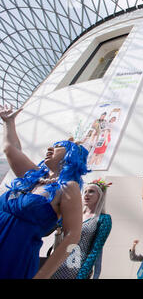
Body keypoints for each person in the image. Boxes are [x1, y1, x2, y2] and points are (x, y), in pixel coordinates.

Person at [0, 105, 89, 279]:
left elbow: (72, 235)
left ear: (71, 155)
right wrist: (9, 122)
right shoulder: (32, 175)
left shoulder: (67, 188)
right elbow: (11, 149)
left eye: (57, 146)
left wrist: (43, 275)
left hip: (15, 256)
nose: (50, 148)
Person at [51, 179, 112, 279]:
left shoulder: (103, 219)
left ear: (100, 196)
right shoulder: (73, 215)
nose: (87, 194)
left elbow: (95, 251)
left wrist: (82, 275)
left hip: (77, 268)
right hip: (57, 263)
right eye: (85, 191)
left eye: (91, 191)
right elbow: (60, 241)